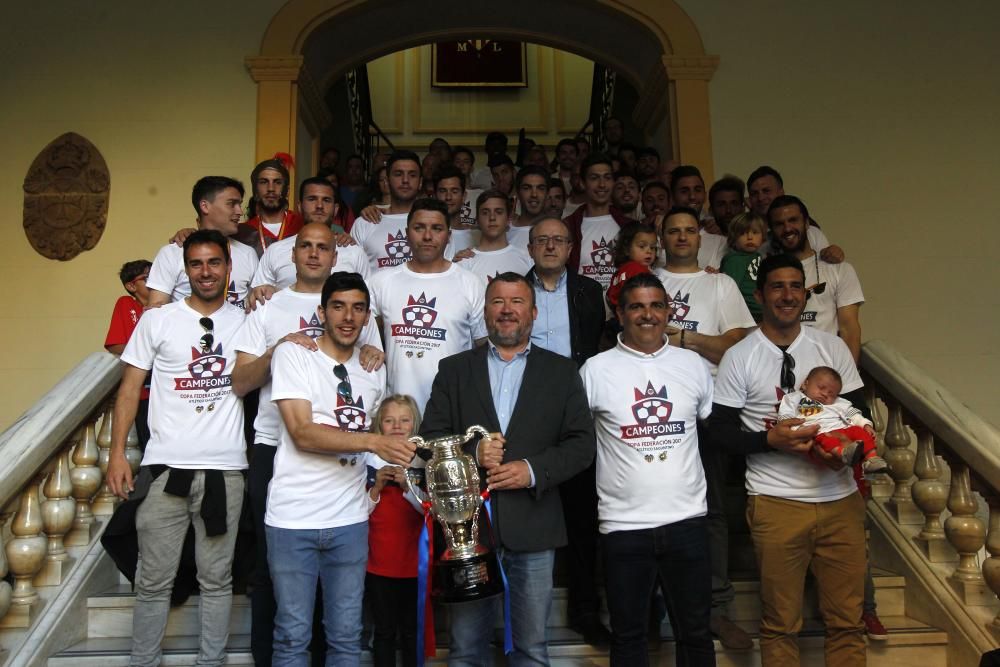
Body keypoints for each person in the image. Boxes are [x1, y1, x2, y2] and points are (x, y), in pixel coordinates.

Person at [421, 272, 596, 666]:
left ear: (533, 312)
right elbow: (430, 436)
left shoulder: (562, 371)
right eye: (498, 302)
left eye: (516, 302)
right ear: (485, 312)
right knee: (465, 649)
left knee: (532, 650)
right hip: (468, 533)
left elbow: (582, 444)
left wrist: (532, 470)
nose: (506, 310)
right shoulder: (453, 370)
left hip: (535, 527)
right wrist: (472, 450)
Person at [232, 222, 383, 666]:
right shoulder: (268, 306)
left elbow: (367, 389)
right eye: (307, 246)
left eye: (325, 247)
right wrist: (281, 348)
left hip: (344, 486)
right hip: (274, 448)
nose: (315, 254)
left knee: (342, 625)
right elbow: (241, 383)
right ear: (291, 254)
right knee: (274, 585)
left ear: (337, 256)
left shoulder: (362, 336)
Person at [708, 254, 869, 666]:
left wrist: (848, 454)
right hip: (775, 502)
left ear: (805, 293)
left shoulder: (830, 346)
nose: (787, 295)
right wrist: (770, 441)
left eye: (795, 286)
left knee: (848, 622)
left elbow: (856, 412)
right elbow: (721, 433)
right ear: (760, 295)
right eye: (777, 287)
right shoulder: (740, 355)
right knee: (780, 624)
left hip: (839, 500)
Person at [106, 229, 248, 667]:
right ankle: (143, 662)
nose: (205, 272)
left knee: (217, 579)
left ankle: (211, 662)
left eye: (214, 263)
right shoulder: (158, 319)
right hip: (166, 469)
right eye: (196, 264)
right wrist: (116, 454)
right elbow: (129, 390)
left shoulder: (247, 320)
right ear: (184, 270)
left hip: (225, 470)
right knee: (152, 581)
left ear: (229, 267)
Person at [267, 271, 416, 664]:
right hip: (292, 519)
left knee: (348, 638)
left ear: (368, 317)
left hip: (351, 520)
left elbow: (373, 435)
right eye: (338, 306)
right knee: (292, 637)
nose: (348, 317)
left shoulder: (373, 367)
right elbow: (302, 433)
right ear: (322, 311)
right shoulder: (294, 354)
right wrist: (374, 441)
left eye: (358, 308)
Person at [581, 272, 716, 666]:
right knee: (629, 637)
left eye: (656, 305)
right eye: (636, 306)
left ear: (668, 312)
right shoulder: (595, 370)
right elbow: (577, 439)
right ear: (620, 314)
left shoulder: (693, 366)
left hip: (687, 521)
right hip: (623, 527)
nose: (647, 315)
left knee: (694, 634)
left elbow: (708, 426)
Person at [652, 205, 755, 650]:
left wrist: (682, 338)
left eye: (689, 230)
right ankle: (655, 605)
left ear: (700, 237)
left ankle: (716, 607)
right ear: (661, 237)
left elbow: (734, 346)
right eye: (672, 231)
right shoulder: (647, 281)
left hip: (706, 411)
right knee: (650, 509)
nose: (681, 237)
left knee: (711, 509)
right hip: (652, 411)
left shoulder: (720, 282)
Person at [523, 217, 608, 644]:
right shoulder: (515, 291)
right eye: (542, 240)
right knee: (525, 509)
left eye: (559, 240)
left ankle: (585, 610)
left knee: (581, 516)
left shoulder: (589, 292)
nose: (551, 246)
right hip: (525, 412)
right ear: (530, 247)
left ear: (572, 247)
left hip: (577, 412)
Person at [368, 198, 487, 413]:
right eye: (419, 228)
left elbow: (485, 350)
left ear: (449, 236)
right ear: (406, 232)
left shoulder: (470, 283)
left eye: (437, 228)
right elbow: (362, 336)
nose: (427, 236)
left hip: (452, 412)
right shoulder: (381, 282)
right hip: (398, 416)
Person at [365, 395, 425, 667]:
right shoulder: (368, 458)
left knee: (413, 632)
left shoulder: (422, 461)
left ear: (415, 424)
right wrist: (376, 488)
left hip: (414, 564)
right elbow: (359, 512)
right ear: (379, 425)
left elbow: (430, 511)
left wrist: (408, 487)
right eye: (389, 420)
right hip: (378, 564)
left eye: (404, 420)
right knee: (384, 632)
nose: (397, 426)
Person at [768, 195, 865, 362]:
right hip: (780, 370)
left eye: (793, 220)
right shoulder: (766, 273)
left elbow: (849, 330)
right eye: (779, 224)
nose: (787, 228)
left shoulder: (840, 269)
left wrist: (848, 381)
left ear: (806, 224)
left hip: (826, 373)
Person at [146, 176, 259, 309]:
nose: (239, 211)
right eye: (231, 204)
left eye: (239, 204)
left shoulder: (248, 253)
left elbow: (257, 306)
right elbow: (156, 309)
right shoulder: (173, 252)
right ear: (205, 206)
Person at [251, 179, 371, 295]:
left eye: (326, 200)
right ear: (299, 206)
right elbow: (259, 299)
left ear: (336, 209)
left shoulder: (355, 253)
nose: (319, 205)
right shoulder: (275, 251)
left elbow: (367, 303)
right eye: (312, 199)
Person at [778, 366, 887, 473]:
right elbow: (785, 417)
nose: (825, 394)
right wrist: (797, 429)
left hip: (843, 429)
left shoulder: (839, 402)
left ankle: (872, 459)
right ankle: (843, 453)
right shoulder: (794, 399)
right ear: (805, 384)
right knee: (825, 439)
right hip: (818, 431)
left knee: (860, 432)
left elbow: (853, 414)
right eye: (821, 388)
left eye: (831, 394)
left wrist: (865, 424)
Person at [563, 154, 631, 291]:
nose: (602, 185)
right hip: (583, 309)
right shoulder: (568, 225)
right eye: (594, 178)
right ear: (582, 183)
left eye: (607, 178)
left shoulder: (628, 225)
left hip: (622, 309)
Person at [104, 259, 153, 449]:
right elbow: (115, 345)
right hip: (142, 392)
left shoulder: (170, 305)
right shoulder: (126, 304)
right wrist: (145, 353)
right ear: (131, 285)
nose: (155, 281)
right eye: (147, 278)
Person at [351, 150, 422, 272]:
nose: (405, 180)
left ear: (420, 182)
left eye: (412, 175)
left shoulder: (434, 224)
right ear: (387, 181)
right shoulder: (365, 222)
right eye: (398, 174)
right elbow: (351, 273)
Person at [455, 190, 534, 281]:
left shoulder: (527, 259)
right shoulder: (464, 262)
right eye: (485, 213)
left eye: (499, 212)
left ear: (508, 218)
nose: (492, 217)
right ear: (477, 219)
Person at [237, 154, 304, 255]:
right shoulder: (242, 232)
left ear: (287, 191)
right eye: (264, 182)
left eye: (277, 182)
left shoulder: (302, 226)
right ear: (255, 190)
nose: (271, 188)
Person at [668, 166, 727, 269]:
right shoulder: (660, 237)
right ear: (672, 197)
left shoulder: (719, 238)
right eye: (684, 191)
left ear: (705, 194)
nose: (692, 196)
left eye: (697, 190)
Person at [719, 212, 767, 322]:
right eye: (743, 233)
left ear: (763, 236)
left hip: (762, 310)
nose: (750, 237)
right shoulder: (735, 260)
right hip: (748, 315)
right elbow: (731, 291)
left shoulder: (758, 256)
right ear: (733, 238)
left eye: (755, 232)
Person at [606, 221, 656, 314]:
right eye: (642, 246)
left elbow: (609, 296)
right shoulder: (638, 270)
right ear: (626, 249)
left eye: (653, 247)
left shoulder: (620, 271)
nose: (649, 251)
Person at [508, 166, 550, 249]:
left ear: (547, 194)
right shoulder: (503, 229)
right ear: (517, 192)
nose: (534, 194)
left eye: (540, 188)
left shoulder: (557, 230)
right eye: (527, 188)